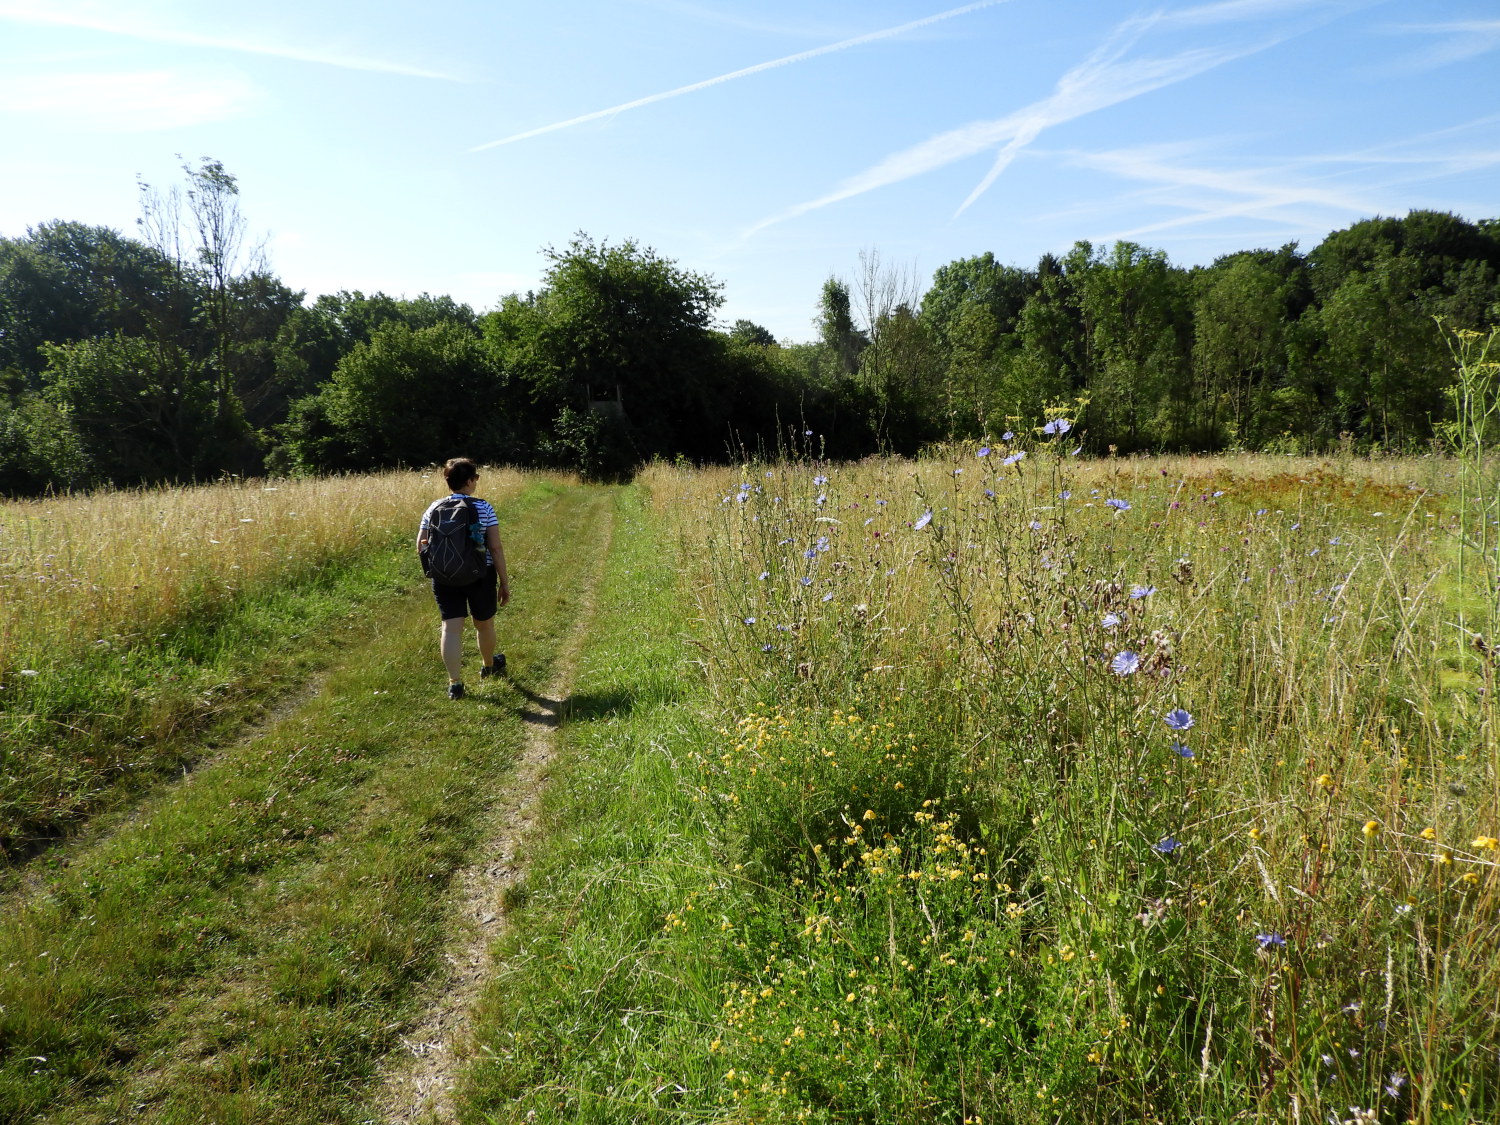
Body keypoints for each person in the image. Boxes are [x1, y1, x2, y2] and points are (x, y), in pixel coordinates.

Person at [416, 457, 510, 699]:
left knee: (451, 628)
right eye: (475, 477)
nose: (476, 481)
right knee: (484, 623)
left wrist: (438, 569)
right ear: (469, 481)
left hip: (444, 577)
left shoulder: (433, 507)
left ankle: (455, 683)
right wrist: (504, 582)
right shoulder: (484, 507)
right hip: (481, 574)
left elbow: (421, 544)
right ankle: (488, 666)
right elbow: (496, 548)